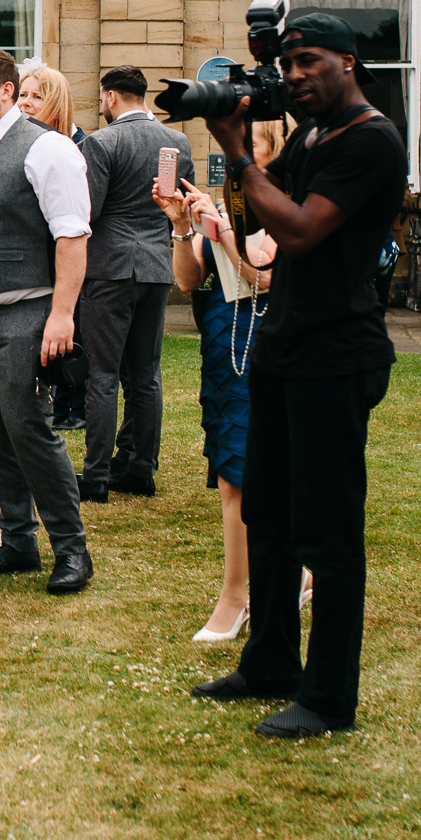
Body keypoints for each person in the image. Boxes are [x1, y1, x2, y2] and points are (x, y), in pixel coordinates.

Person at [189, 13, 406, 739]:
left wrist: (235, 149)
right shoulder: (313, 133)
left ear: (350, 61)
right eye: (287, 62)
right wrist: (230, 163)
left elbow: (302, 228)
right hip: (286, 342)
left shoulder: (372, 139)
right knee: (267, 513)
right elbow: (254, 212)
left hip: (337, 353)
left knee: (329, 530)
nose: (295, 74)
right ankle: (272, 661)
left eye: (309, 59)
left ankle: (328, 695)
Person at [0, 47, 95, 596]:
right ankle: (18, 542)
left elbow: (72, 235)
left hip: (29, 311)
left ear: (7, 90)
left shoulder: (48, 148)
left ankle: (72, 549)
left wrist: (61, 316)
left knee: (30, 429)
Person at [154, 121, 283, 641]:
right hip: (223, 349)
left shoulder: (282, 203)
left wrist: (225, 230)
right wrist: (183, 227)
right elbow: (188, 280)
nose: (237, 154)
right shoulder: (224, 203)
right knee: (236, 468)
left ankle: (235, 598)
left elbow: (262, 275)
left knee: (242, 475)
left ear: (273, 151)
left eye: (248, 145)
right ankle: (292, 576)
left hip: (267, 348)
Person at [77, 65, 193, 500]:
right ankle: (141, 469)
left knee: (103, 374)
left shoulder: (102, 142)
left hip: (109, 268)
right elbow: (179, 203)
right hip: (157, 266)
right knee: (145, 374)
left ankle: (96, 476)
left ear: (110, 97)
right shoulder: (177, 141)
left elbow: (88, 211)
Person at [15, 63, 90, 431]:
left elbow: (74, 228)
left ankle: (69, 410)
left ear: (55, 103)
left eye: (36, 96)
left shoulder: (69, 150)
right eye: (22, 94)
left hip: (54, 273)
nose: (25, 103)